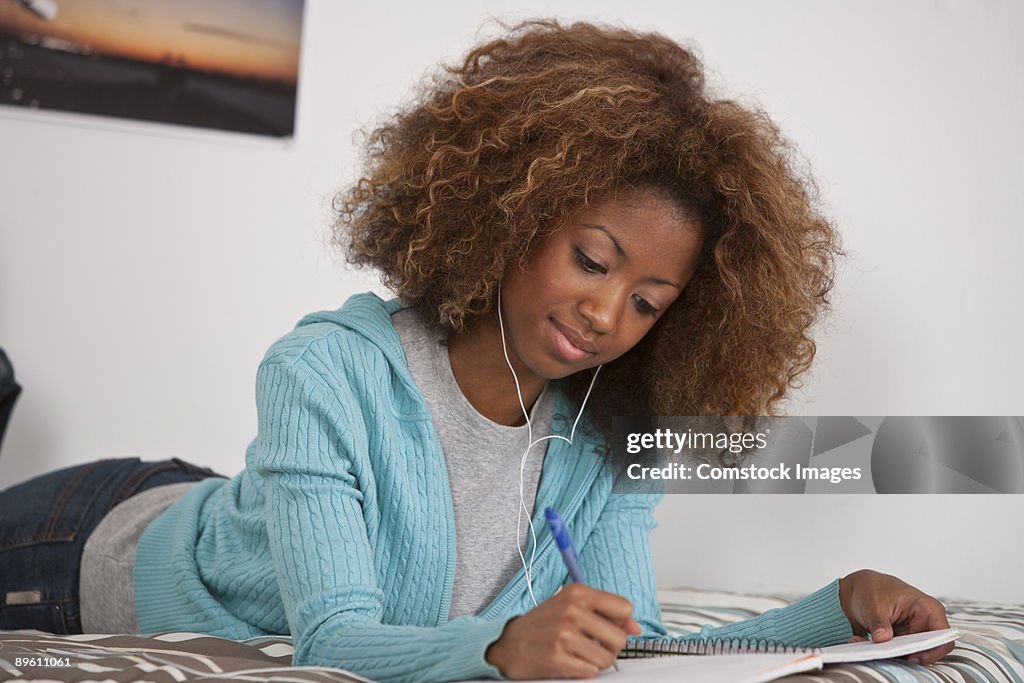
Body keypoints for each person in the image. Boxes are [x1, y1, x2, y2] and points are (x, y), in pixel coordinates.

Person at [0, 19, 953, 682]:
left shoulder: (604, 435)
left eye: (649, 301)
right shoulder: (324, 371)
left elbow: (637, 646)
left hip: (227, 516)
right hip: (83, 549)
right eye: (592, 259)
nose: (608, 312)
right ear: (513, 215)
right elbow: (335, 639)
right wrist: (500, 647)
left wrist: (839, 608)